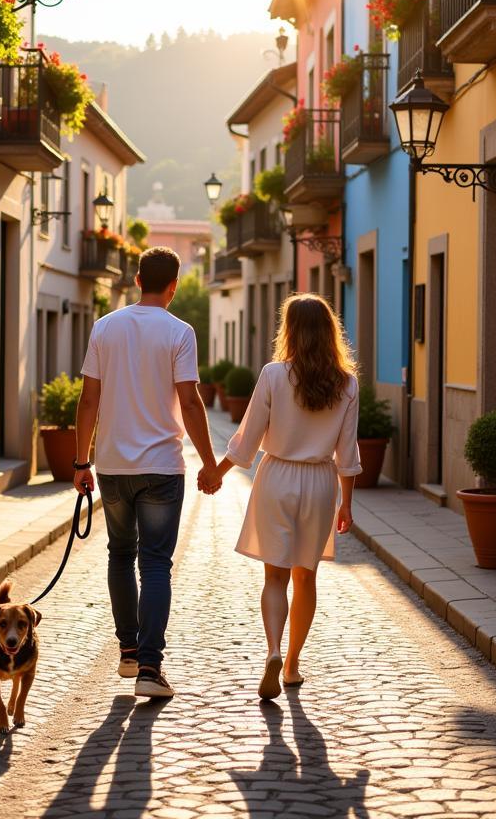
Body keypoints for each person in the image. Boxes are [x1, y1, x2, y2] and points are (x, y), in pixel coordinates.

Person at [74, 246, 219, 699]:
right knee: (155, 563)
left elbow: (88, 400)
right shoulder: (180, 332)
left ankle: (129, 651)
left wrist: (82, 462)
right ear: (174, 286)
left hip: (113, 466)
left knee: (121, 554)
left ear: (137, 280)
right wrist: (210, 463)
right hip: (161, 467)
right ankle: (150, 670)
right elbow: (191, 402)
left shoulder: (105, 327)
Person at [203, 293, 362, 700]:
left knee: (274, 576)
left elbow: (247, 439)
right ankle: (291, 665)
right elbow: (348, 451)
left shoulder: (274, 374)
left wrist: (215, 473)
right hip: (320, 481)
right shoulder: (347, 383)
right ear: (330, 332)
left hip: (277, 477)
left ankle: (272, 649)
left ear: (289, 330)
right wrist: (347, 502)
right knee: (305, 575)